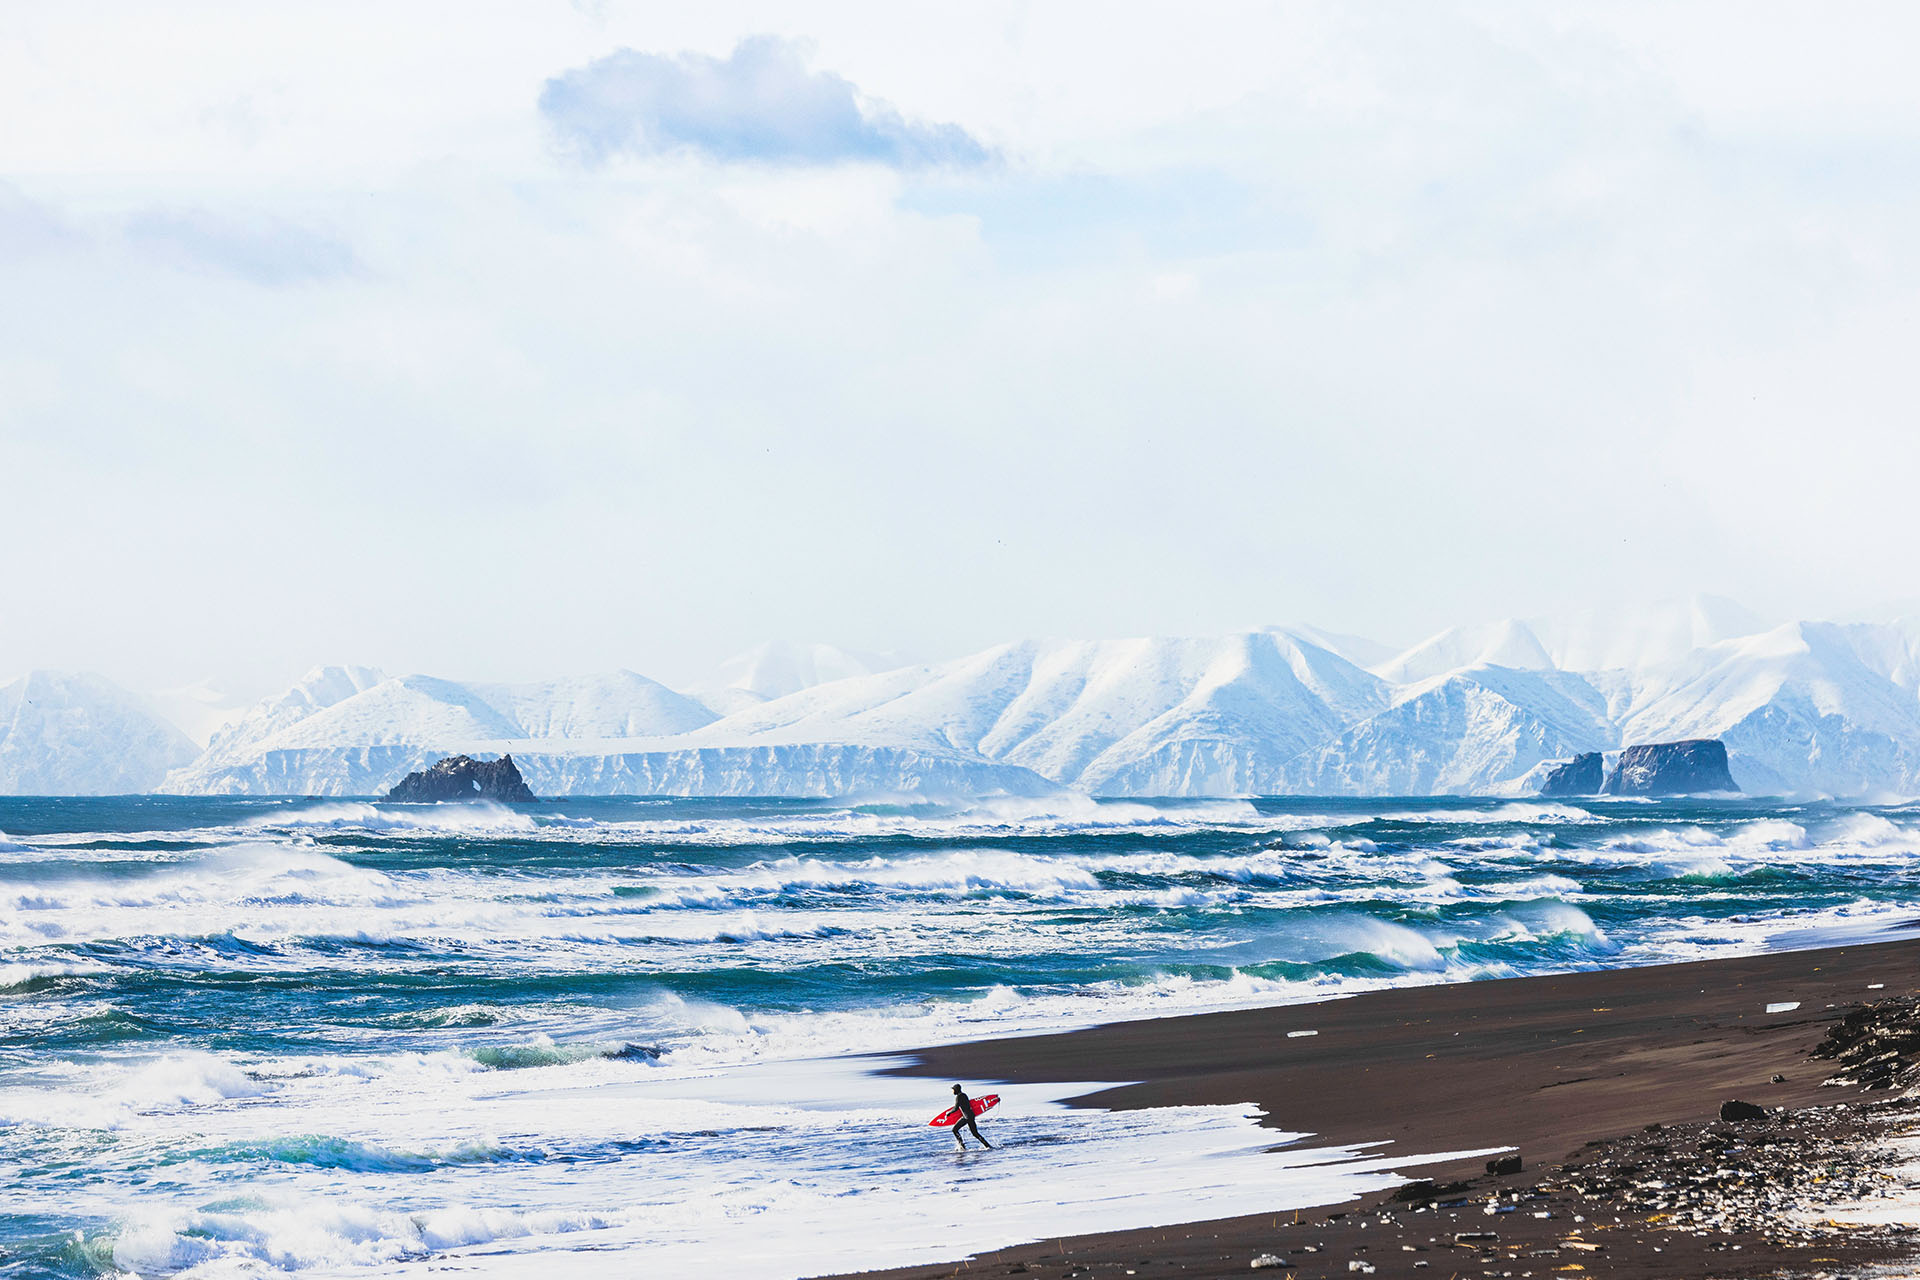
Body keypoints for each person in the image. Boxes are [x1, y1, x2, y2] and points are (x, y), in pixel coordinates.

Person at [949, 1083, 993, 1150]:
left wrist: (949, 1113)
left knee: (954, 1130)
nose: (952, 1091)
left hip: (966, 1117)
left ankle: (962, 1146)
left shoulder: (958, 1097)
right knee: (975, 1133)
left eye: (953, 1090)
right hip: (970, 1116)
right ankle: (987, 1146)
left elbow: (956, 1108)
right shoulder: (964, 1095)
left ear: (956, 1090)